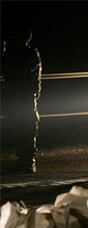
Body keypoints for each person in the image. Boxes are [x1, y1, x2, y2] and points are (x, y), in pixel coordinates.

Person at [1, 27, 42, 173]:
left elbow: (15, 72)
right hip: (20, 94)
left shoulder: (28, 54)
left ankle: (28, 160)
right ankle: (24, 160)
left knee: (27, 127)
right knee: (20, 127)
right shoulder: (23, 54)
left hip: (24, 94)